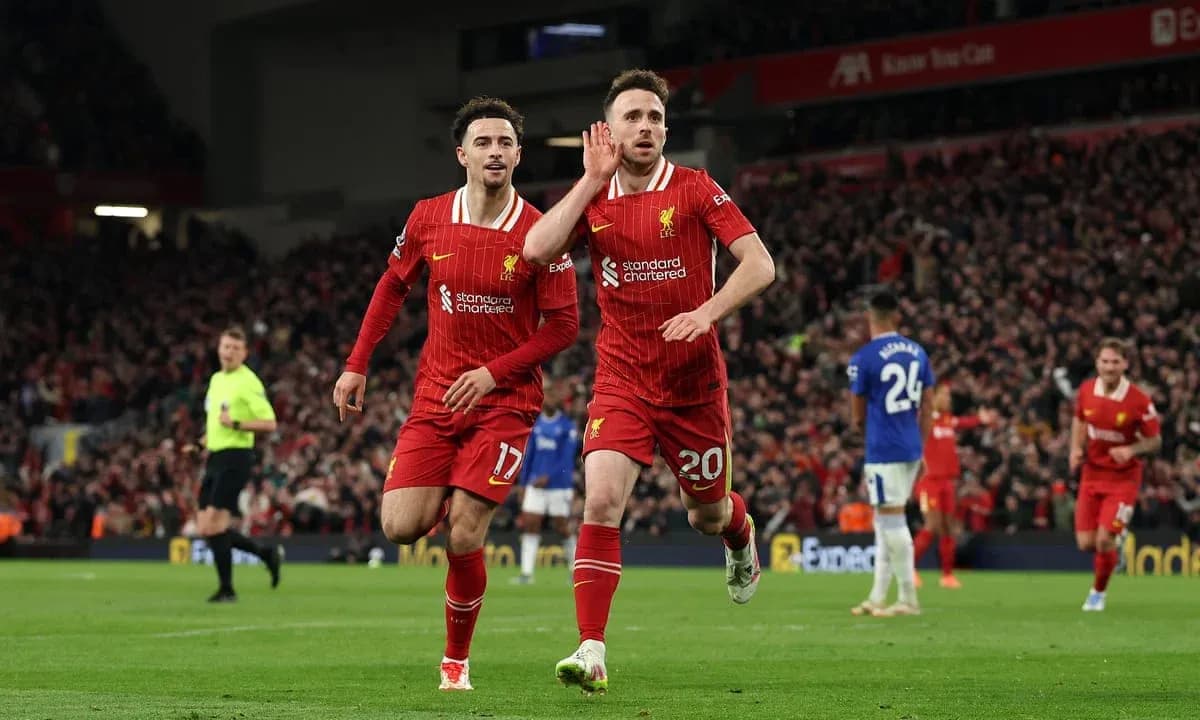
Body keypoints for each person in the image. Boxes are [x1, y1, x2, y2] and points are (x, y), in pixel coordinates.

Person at [523, 68, 776, 695]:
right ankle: (592, 649)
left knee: (705, 514)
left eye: (655, 118)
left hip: (693, 386)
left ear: (667, 131)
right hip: (623, 378)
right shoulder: (595, 198)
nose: (645, 127)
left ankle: (740, 533)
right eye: (632, 117)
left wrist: (707, 311)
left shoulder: (694, 188)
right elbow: (534, 250)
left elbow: (760, 264)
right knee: (602, 501)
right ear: (608, 130)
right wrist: (588, 179)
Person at [331, 97, 579, 691]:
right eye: (484, 142)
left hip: (506, 403)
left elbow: (564, 326)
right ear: (462, 153)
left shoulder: (543, 231)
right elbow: (392, 286)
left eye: (506, 143)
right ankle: (450, 493)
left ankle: (455, 662)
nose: (495, 152)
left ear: (518, 154)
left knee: (465, 533)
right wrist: (356, 364)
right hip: (436, 397)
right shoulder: (428, 217)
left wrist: (495, 373)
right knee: (398, 527)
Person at [847, 291, 934, 618]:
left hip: (884, 449)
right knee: (884, 522)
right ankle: (877, 596)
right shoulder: (918, 352)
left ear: (870, 318)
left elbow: (857, 417)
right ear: (896, 316)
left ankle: (908, 599)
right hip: (911, 447)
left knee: (892, 521)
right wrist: (919, 445)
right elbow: (928, 407)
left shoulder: (864, 358)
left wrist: (867, 437)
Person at [1069, 338, 1160, 612]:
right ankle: (1113, 547)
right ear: (1097, 363)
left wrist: (1132, 449)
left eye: (1115, 362)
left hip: (1123, 478)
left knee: (1103, 540)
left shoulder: (1139, 400)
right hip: (1092, 474)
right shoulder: (1086, 391)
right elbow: (1079, 420)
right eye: (1105, 361)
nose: (1109, 367)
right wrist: (1075, 448)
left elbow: (1155, 441)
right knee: (1086, 543)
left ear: (1125, 364)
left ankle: (1097, 594)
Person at [197, 326, 282, 603]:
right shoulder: (216, 380)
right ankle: (264, 554)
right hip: (215, 455)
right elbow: (215, 422)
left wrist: (235, 424)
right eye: (226, 346)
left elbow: (269, 423)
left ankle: (227, 589)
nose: (230, 352)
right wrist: (201, 443)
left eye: (236, 348)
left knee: (215, 524)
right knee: (205, 527)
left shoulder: (249, 382)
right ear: (219, 349)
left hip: (236, 457)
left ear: (244, 353)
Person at [911, 384, 997, 589]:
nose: (949, 400)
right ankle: (909, 570)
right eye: (945, 395)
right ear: (934, 397)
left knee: (949, 528)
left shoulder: (948, 420)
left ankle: (947, 575)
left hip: (948, 482)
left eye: (949, 396)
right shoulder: (925, 419)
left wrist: (980, 420)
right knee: (931, 526)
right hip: (929, 482)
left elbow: (965, 422)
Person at [512, 379, 580, 585]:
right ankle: (526, 573)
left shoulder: (567, 427)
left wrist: (548, 476)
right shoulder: (536, 426)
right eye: (545, 395)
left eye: (551, 395)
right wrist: (523, 484)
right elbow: (529, 456)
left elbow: (566, 459)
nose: (548, 399)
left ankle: (574, 571)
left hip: (559, 485)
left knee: (562, 527)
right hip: (535, 485)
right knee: (531, 525)